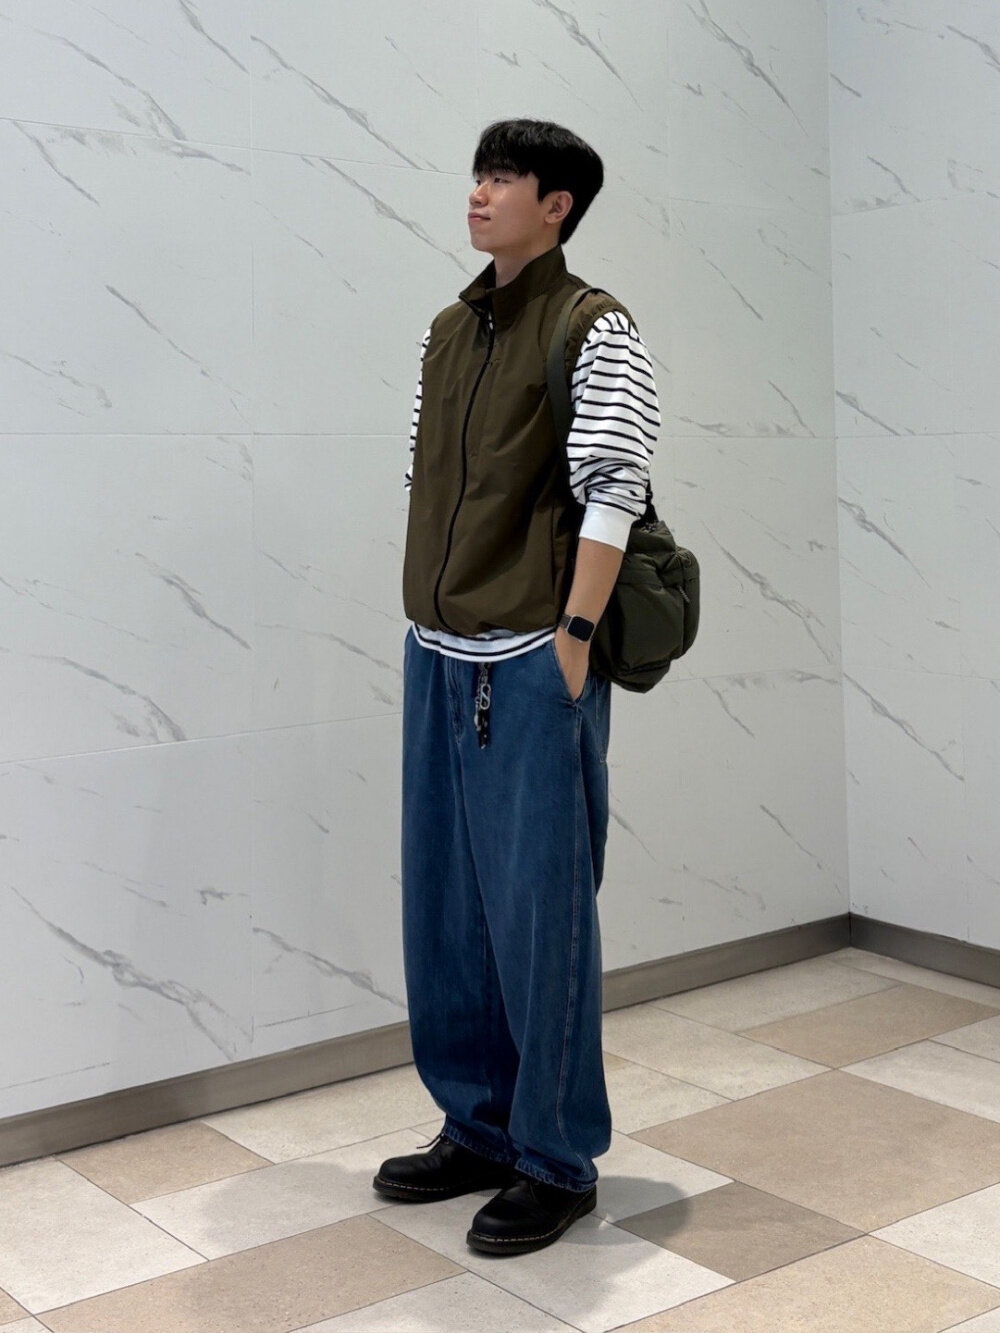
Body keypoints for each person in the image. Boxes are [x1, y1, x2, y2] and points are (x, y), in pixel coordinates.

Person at [372, 119, 660, 1256]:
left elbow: (614, 486)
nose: (480, 192)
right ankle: (478, 1124)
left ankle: (553, 1156)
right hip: (438, 654)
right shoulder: (449, 330)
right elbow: (421, 473)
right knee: (446, 912)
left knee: (542, 919)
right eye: (478, 173)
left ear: (558, 205)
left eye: (504, 177)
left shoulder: (594, 325)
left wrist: (574, 638)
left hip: (535, 658)